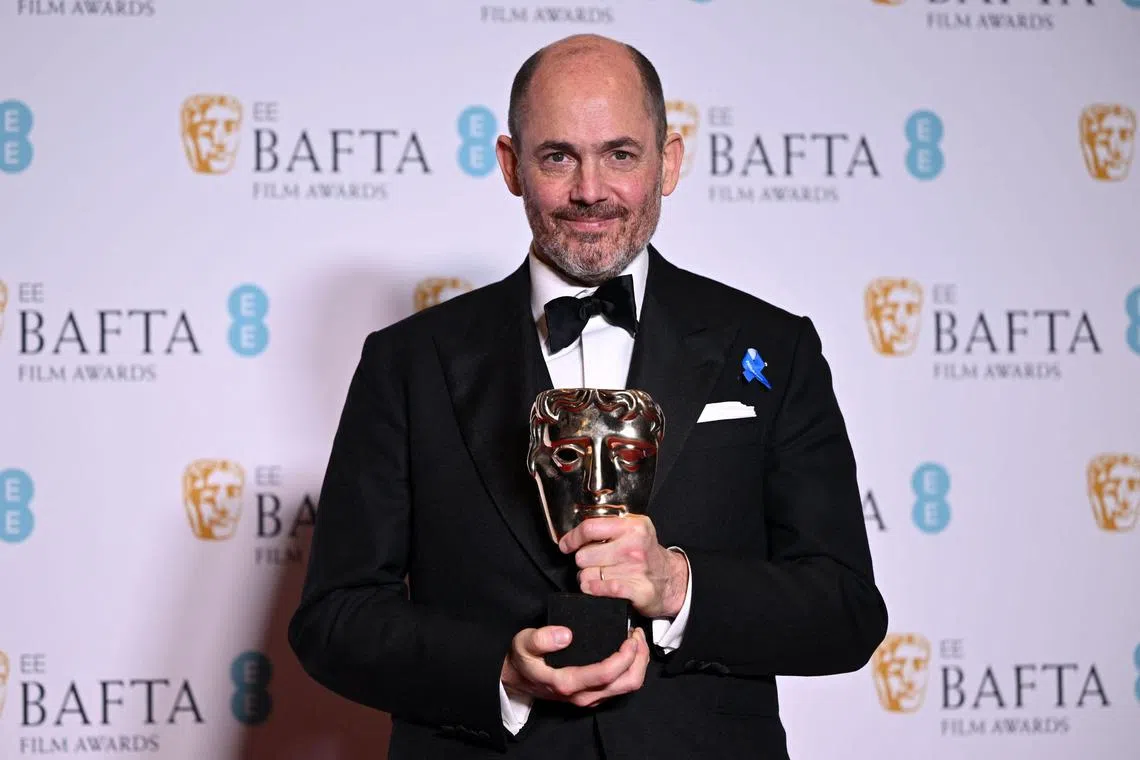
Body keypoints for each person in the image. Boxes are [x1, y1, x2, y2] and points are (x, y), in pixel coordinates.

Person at [288, 33, 888, 759]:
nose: (591, 191)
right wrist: (498, 673)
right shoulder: (407, 362)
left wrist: (679, 587)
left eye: (621, 154)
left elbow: (847, 611)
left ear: (669, 162)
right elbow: (335, 618)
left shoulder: (774, 345)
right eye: (557, 156)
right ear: (512, 166)